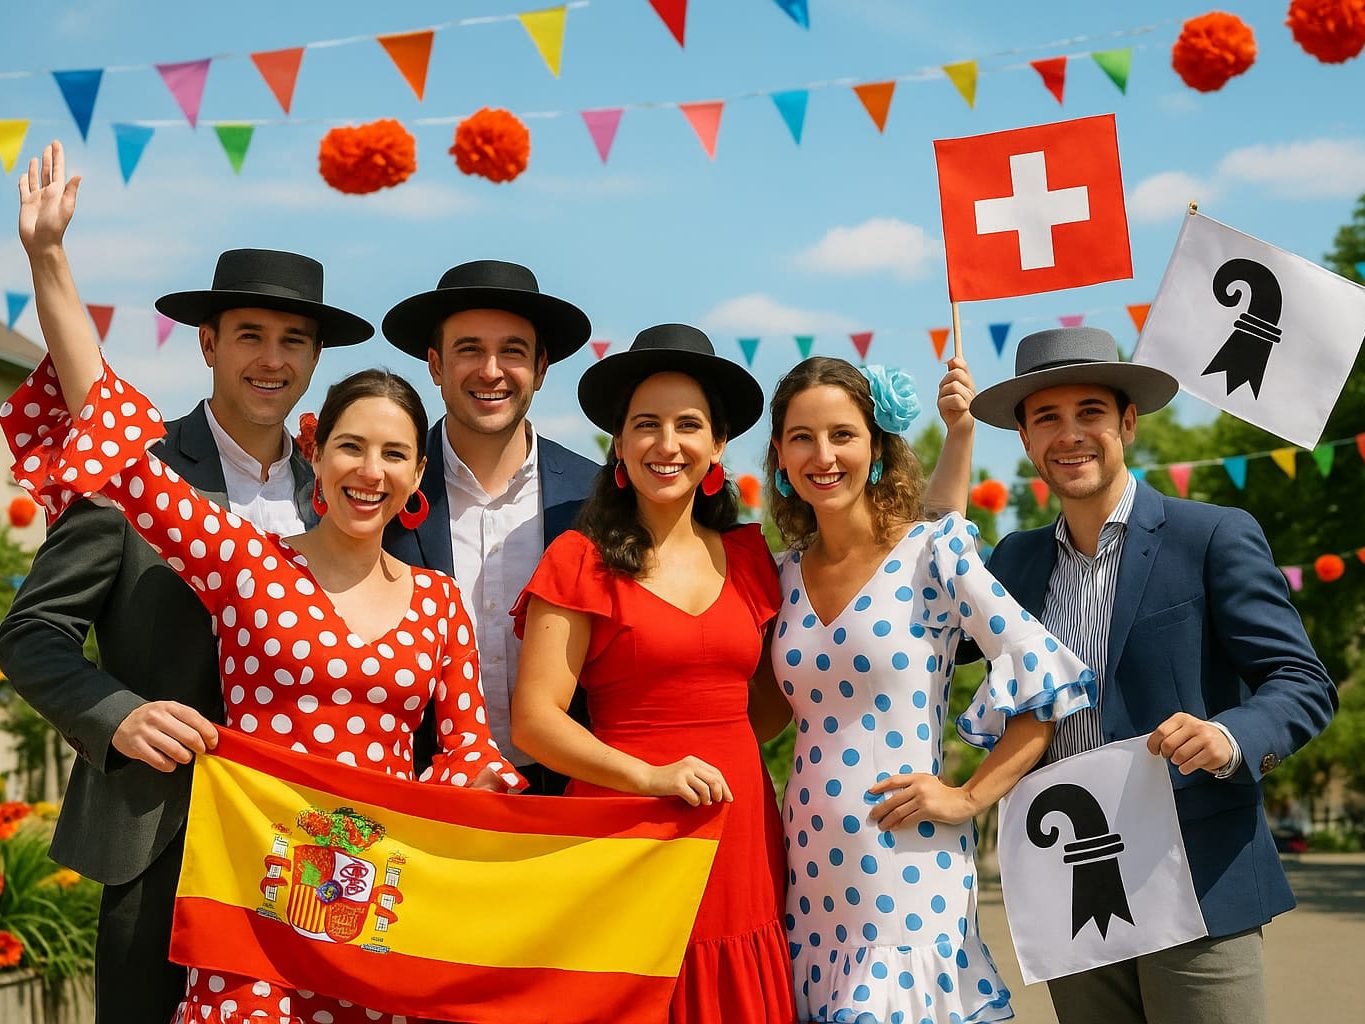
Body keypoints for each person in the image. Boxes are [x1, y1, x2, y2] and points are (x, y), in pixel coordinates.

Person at [3, 142, 522, 1023]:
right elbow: (112, 442)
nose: (271, 359)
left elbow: (466, 748)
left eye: (395, 453)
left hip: (364, 891)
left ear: (411, 479)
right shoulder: (242, 558)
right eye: (250, 335)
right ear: (207, 343)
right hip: (181, 845)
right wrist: (49, 258)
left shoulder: (433, 597)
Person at [966, 326, 1336, 1024]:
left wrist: (1229, 737)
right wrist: (952, 443)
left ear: (1127, 422)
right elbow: (911, 602)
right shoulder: (1010, 564)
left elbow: (1300, 680)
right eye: (1045, 417)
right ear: (1022, 439)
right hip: (1069, 882)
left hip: (1193, 876)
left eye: (1090, 413)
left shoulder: (1211, 535)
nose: (1069, 434)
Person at [759, 355, 1098, 1024]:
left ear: (876, 448)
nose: (822, 455)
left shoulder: (930, 554)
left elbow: (1044, 675)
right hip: (805, 872)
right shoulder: (779, 577)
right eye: (801, 437)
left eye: (842, 434)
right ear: (778, 454)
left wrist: (968, 796)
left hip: (906, 869)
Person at [509, 323, 799, 1021]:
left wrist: (719, 743)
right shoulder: (577, 559)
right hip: (623, 829)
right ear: (618, 443)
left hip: (738, 831)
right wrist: (651, 775)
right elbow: (534, 722)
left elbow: (770, 704)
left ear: (717, 446)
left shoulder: (752, 555)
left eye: (687, 425)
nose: (666, 445)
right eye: (646, 425)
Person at [382, 261, 598, 794]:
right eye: (470, 349)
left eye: (514, 351)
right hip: (422, 790)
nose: (491, 370)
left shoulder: (597, 498)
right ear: (435, 364)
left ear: (542, 368)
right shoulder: (380, 492)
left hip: (574, 791)